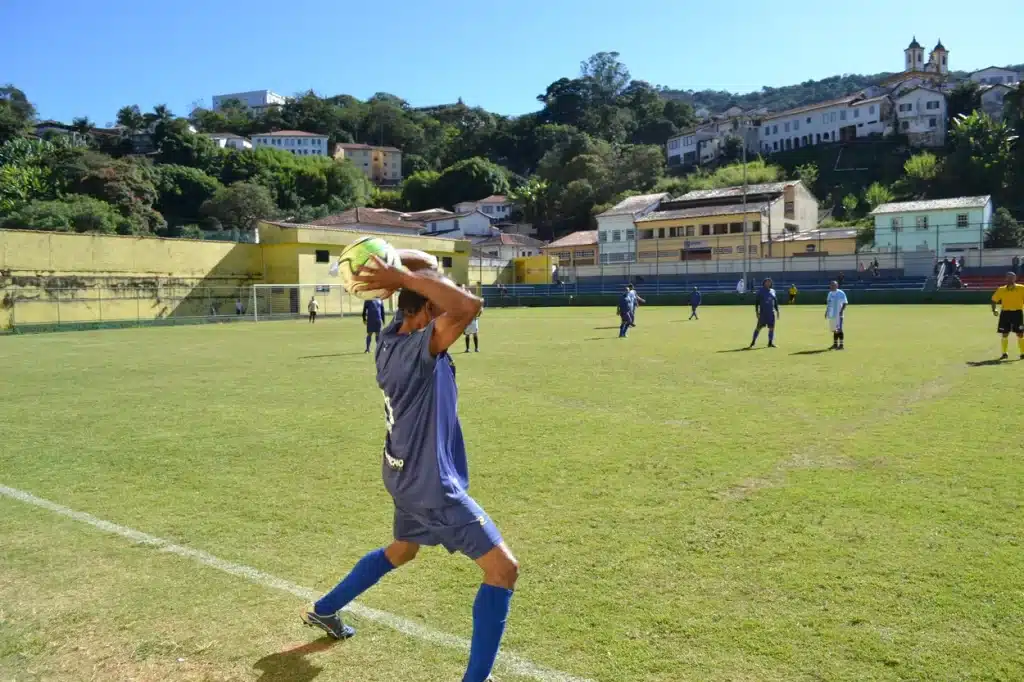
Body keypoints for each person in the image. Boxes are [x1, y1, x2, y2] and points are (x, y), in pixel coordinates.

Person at [302, 258, 517, 682]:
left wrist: (398, 264)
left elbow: (434, 277)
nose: (444, 318)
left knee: (402, 550)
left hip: (402, 474)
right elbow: (470, 307)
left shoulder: (390, 336)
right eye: (436, 310)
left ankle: (325, 609)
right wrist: (401, 276)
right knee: (503, 570)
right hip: (431, 485)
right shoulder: (417, 348)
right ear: (423, 313)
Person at [991, 271, 1024, 361]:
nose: (1010, 279)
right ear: (1006, 279)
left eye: (1012, 277)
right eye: (1008, 277)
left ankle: (1022, 353)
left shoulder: (1022, 288)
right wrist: (994, 310)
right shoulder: (1001, 289)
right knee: (1005, 334)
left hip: (1017, 313)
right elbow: (994, 300)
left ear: (1015, 278)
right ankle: (1004, 353)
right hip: (1005, 313)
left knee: (1020, 333)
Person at [749, 278, 780, 349]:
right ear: (764, 283)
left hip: (771, 313)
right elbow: (757, 302)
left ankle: (770, 343)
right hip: (763, 313)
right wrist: (757, 312)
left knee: (771, 328)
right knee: (758, 328)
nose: (768, 283)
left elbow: (775, 302)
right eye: (767, 282)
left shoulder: (773, 291)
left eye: (769, 282)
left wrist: (777, 311)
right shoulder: (760, 291)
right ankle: (753, 342)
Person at [825, 280, 849, 350]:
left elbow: (845, 303)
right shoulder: (830, 293)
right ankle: (835, 344)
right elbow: (829, 303)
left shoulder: (841, 293)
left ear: (837, 286)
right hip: (832, 315)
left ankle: (841, 345)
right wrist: (826, 311)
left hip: (838, 315)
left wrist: (841, 311)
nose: (832, 286)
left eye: (834, 285)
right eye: (831, 285)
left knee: (839, 330)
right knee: (834, 330)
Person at [463, 284, 482, 352]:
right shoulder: (464, 303)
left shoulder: (474, 302)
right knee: (467, 335)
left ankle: (476, 348)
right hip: (467, 321)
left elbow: (481, 309)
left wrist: (478, 316)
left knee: (475, 333)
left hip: (473, 320)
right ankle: (467, 349)